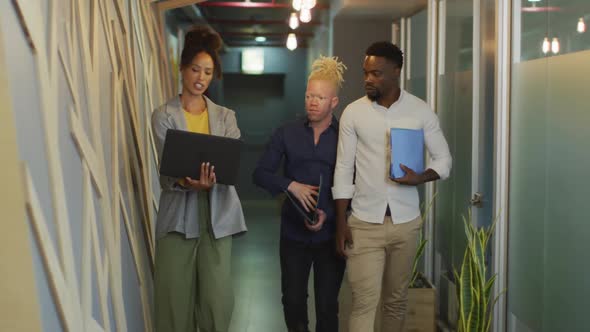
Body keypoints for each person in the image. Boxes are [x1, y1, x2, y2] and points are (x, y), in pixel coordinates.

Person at [332, 41, 452, 332]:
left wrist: (420, 177)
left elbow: (444, 159)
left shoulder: (420, 111)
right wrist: (341, 223)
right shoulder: (353, 113)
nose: (368, 79)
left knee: (396, 302)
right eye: (365, 73)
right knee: (363, 303)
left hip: (406, 224)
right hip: (363, 223)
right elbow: (343, 168)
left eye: (376, 73)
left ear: (396, 72)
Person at [151, 26, 247, 332]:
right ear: (182, 68)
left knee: (216, 301)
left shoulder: (226, 117)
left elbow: (231, 164)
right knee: (173, 300)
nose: (200, 78)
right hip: (177, 215)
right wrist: (184, 182)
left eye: (207, 71)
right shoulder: (164, 115)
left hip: (218, 214)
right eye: (195, 69)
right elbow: (166, 172)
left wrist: (210, 180)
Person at [252, 56, 347, 332]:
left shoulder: (345, 137)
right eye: (308, 96)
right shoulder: (286, 133)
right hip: (293, 234)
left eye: (319, 97)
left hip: (330, 236)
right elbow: (260, 174)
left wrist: (327, 214)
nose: (312, 102)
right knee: (292, 301)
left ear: (334, 102)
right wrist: (290, 185)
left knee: (328, 306)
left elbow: (354, 185)